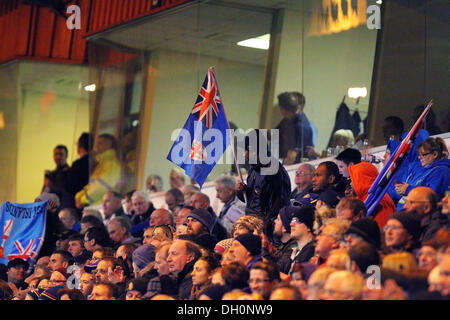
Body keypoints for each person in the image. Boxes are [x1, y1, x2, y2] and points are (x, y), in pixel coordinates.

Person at [236, 129, 291, 239]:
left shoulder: (273, 170)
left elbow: (277, 204)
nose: (244, 154)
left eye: (247, 150)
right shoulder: (253, 169)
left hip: (265, 229)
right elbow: (253, 199)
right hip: (252, 222)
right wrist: (242, 191)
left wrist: (264, 230)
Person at [75, 133, 121, 208]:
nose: (96, 146)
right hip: (95, 204)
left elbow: (101, 187)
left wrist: (83, 199)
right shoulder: (103, 162)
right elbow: (92, 185)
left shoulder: (112, 164)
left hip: (100, 206)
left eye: (100, 143)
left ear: (108, 145)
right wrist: (78, 196)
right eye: (97, 143)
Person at [348, 162, 396, 227]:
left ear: (362, 179)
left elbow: (382, 231)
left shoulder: (380, 202)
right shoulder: (365, 198)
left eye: (353, 180)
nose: (350, 183)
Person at [275, 91, 314, 164]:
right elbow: (275, 134)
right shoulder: (288, 119)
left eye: (280, 108)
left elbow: (292, 156)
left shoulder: (302, 126)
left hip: (299, 165)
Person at [262, 206, 297, 275]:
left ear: (284, 227)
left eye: (278, 219)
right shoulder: (284, 245)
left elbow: (276, 272)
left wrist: (263, 249)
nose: (274, 221)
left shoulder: (293, 247)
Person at [288, 206, 316, 273]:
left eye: (297, 221)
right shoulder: (297, 251)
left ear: (309, 227)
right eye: (292, 220)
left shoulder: (310, 251)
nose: (291, 224)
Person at [67, 132, 94, 198]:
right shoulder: (95, 162)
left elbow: (71, 186)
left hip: (78, 199)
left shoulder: (78, 164)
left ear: (79, 144)